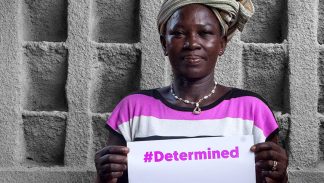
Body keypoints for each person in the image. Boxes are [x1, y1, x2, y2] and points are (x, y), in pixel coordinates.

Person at [95, 0, 289, 182]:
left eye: (204, 33)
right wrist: (105, 176)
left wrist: (280, 176)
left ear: (222, 44)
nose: (192, 44)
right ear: (164, 44)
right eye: (178, 33)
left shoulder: (252, 110)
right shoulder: (132, 110)